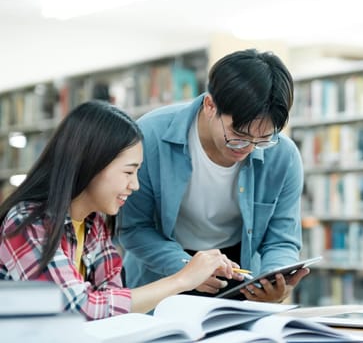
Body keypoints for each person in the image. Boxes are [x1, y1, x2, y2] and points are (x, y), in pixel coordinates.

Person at [0, 100, 236, 320]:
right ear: (91, 163)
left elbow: (112, 301)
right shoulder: (27, 223)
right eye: (128, 172)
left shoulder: (94, 225)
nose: (135, 185)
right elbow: (77, 309)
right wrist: (182, 280)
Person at [119, 48, 309, 303]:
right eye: (238, 136)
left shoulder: (283, 156)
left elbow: (282, 239)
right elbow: (134, 228)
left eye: (263, 138)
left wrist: (274, 279)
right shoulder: (150, 136)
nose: (249, 148)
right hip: (163, 274)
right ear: (210, 105)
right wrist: (186, 268)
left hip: (239, 276)